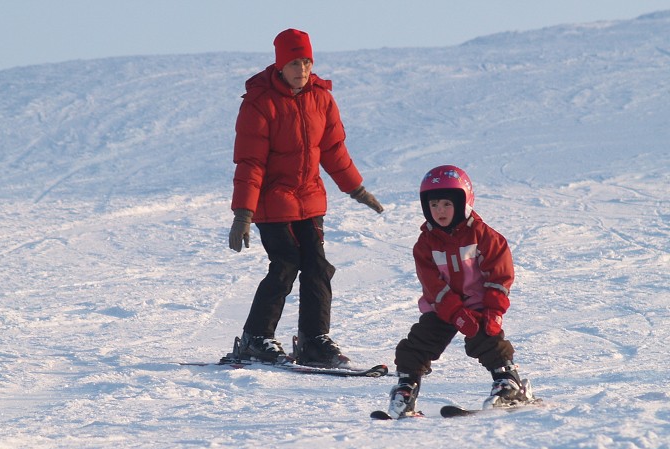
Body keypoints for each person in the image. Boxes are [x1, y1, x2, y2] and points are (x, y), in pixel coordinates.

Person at [228, 28, 384, 368]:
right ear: (281, 64)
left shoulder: (321, 98)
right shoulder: (260, 103)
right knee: (285, 264)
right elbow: (250, 161)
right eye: (295, 62)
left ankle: (314, 340)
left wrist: (356, 189)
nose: (303, 69)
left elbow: (333, 150)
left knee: (317, 267)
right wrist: (243, 213)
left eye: (308, 62)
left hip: (309, 200)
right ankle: (256, 337)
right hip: (272, 203)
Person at [387, 165, 538, 418]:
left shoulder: (484, 236)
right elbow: (431, 284)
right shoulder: (425, 244)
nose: (440, 211)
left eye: (447, 204)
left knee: (487, 338)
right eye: (434, 205)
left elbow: (499, 275)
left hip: (479, 306)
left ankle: (508, 382)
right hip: (444, 308)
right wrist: (453, 311)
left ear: (463, 202)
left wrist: (493, 311)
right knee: (418, 343)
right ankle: (406, 388)